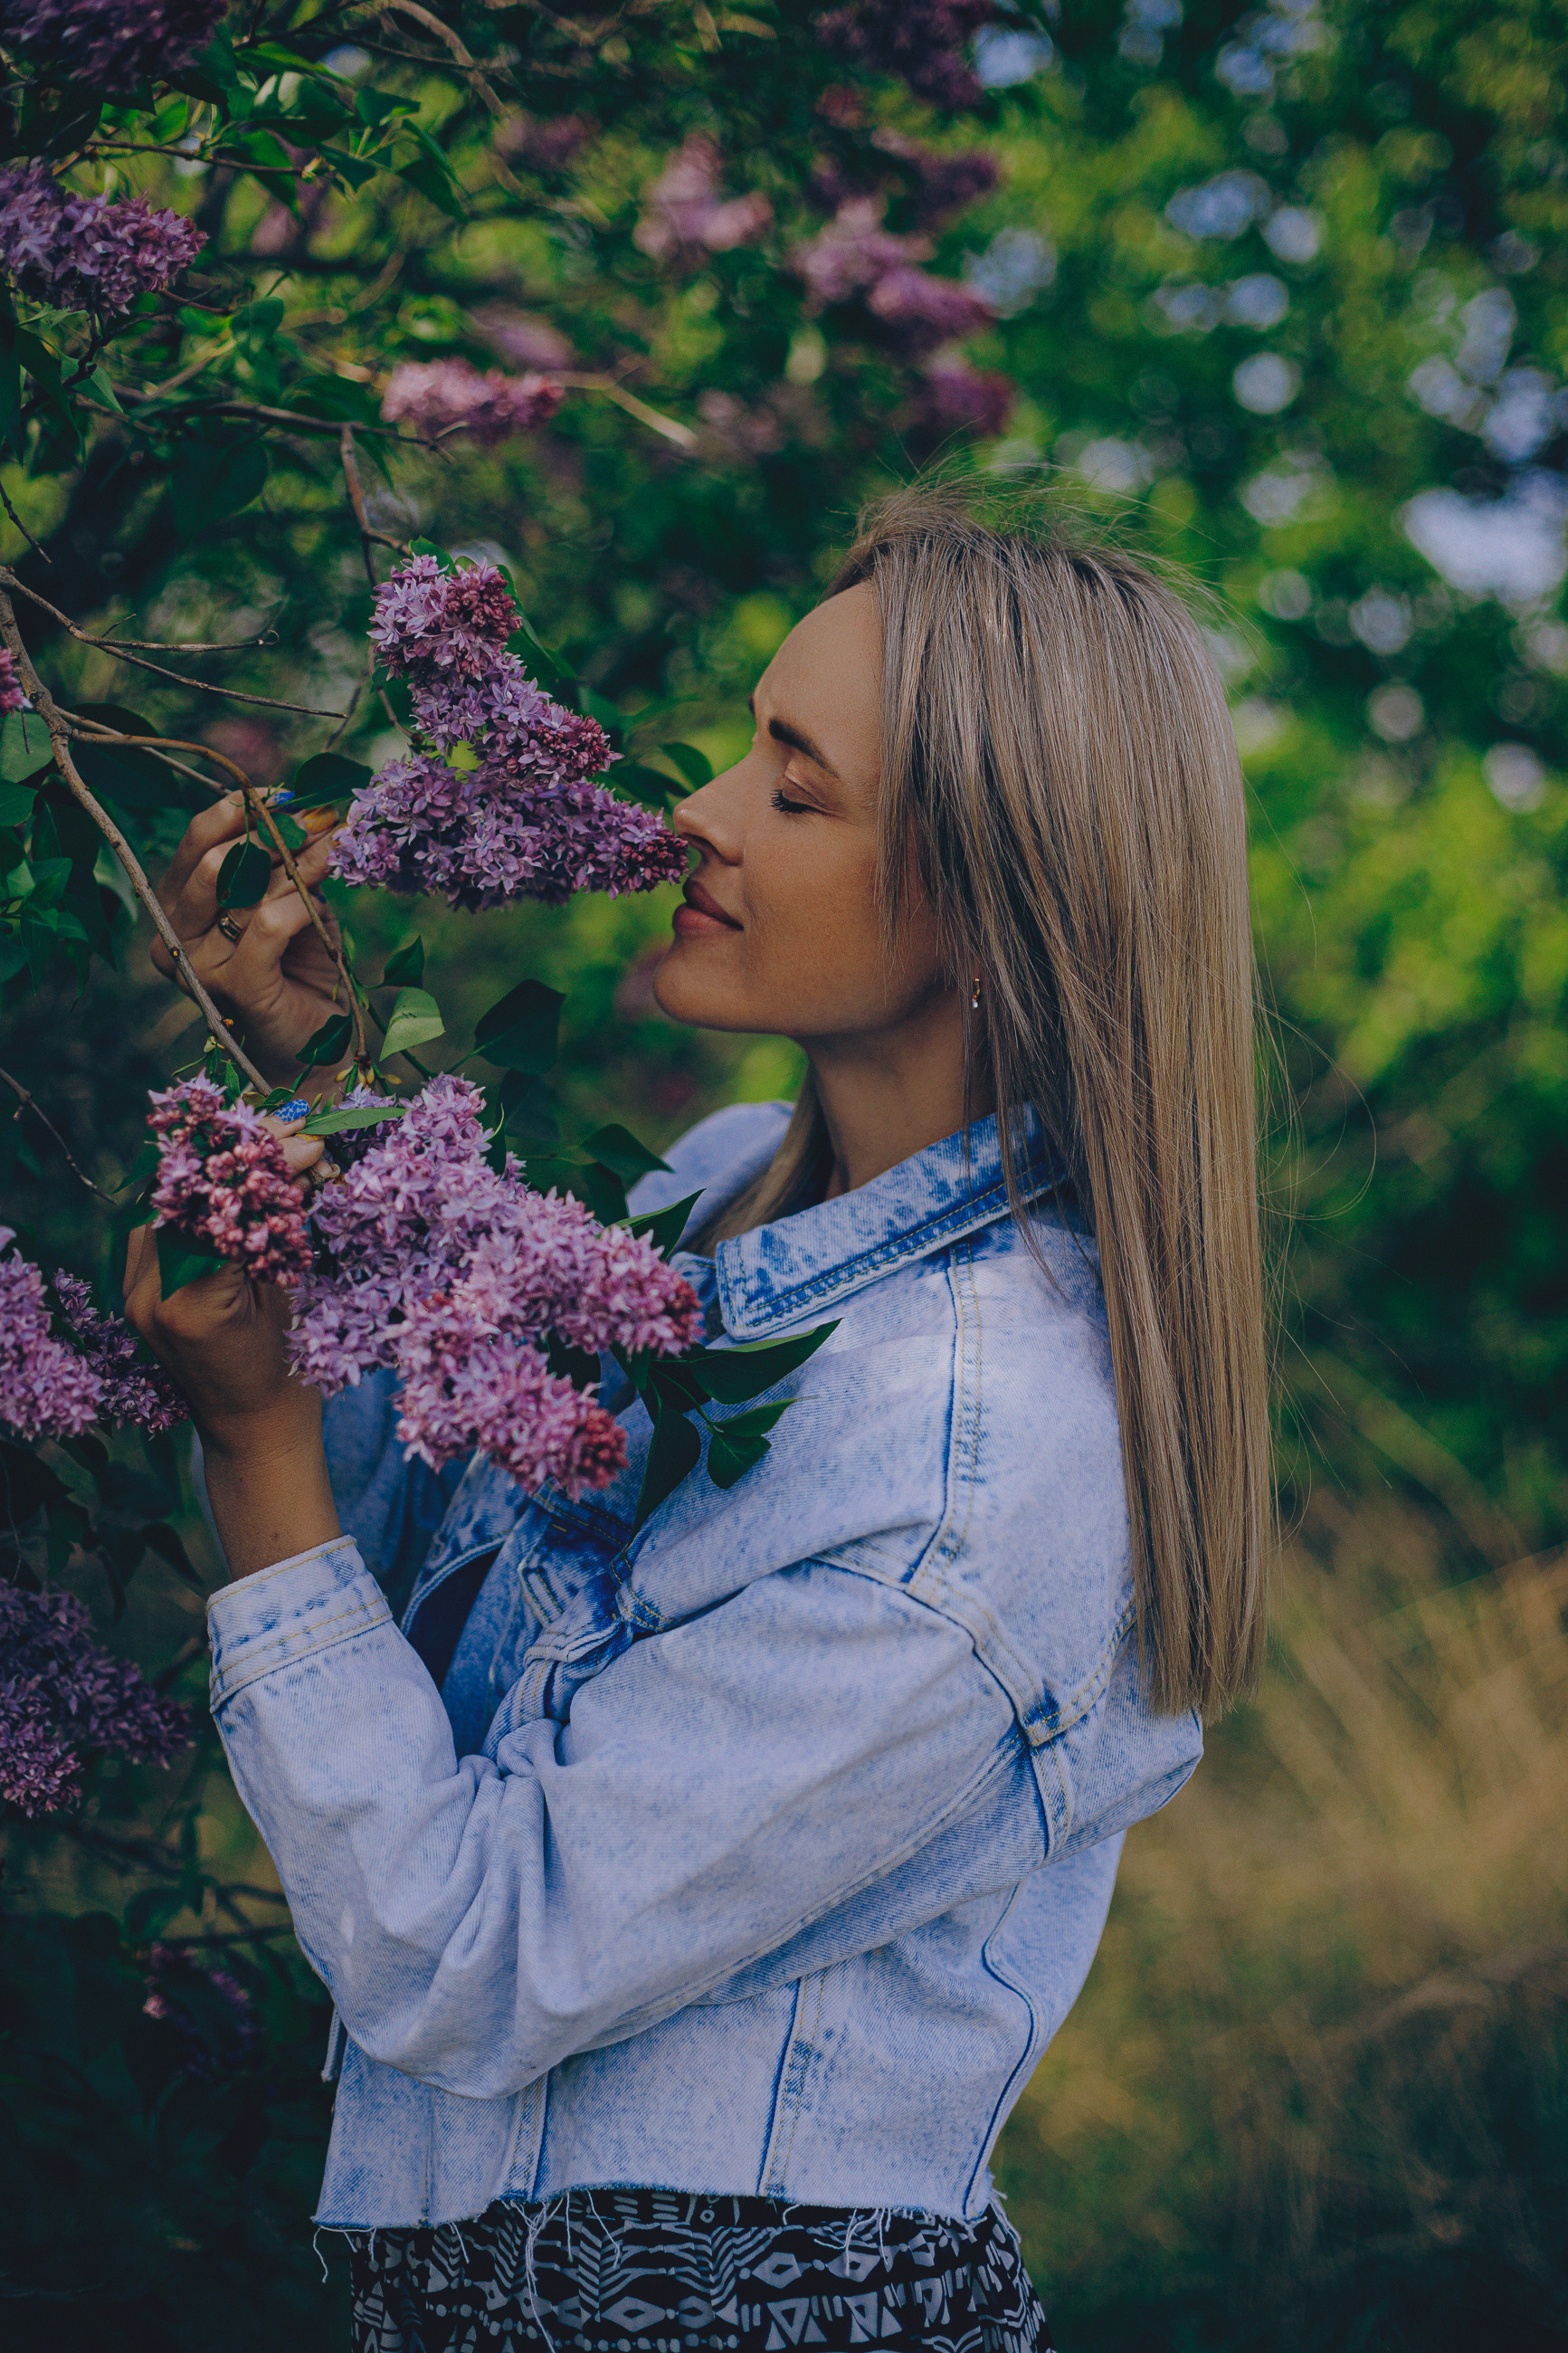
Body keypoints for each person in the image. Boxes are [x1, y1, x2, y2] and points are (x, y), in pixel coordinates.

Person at [128, 486, 1272, 2353]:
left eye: (796, 789)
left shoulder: (980, 1462)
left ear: (996, 898)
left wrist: (256, 1442)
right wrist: (327, 1108)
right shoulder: (721, 1190)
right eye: (750, 743)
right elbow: (401, 1577)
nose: (700, 816)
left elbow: (462, 1946)